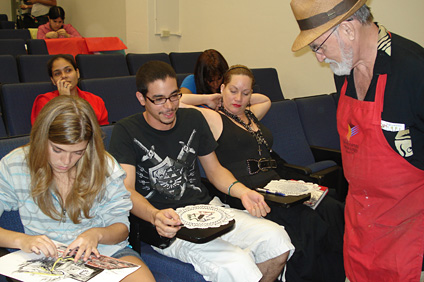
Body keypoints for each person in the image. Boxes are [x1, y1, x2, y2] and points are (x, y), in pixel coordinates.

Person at [108, 60, 295, 282]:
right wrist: (154, 215)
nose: (169, 106)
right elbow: (126, 190)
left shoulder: (193, 119)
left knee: (277, 240)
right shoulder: (126, 130)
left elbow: (215, 170)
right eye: (158, 99)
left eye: (174, 96)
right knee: (236, 262)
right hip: (167, 226)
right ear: (141, 98)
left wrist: (243, 192)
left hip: (207, 211)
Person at [290, 1, 424, 281]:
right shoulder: (345, 70)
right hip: (360, 224)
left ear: (348, 30)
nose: (319, 58)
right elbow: (355, 134)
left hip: (408, 235)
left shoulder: (414, 70)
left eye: (318, 47)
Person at [181, 64, 346, 282]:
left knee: (332, 208)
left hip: (276, 183)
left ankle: (336, 272)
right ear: (222, 88)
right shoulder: (213, 118)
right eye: (232, 90)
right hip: (248, 190)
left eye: (245, 92)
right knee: (309, 224)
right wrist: (211, 97)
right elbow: (180, 104)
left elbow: (265, 99)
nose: (238, 98)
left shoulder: (250, 115)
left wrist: (242, 94)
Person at [0, 95, 156, 282]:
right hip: (47, 258)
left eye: (78, 152)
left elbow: (122, 229)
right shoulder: (15, 165)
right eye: (57, 150)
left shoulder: (105, 166)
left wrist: (96, 234)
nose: (66, 162)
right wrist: (22, 240)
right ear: (42, 137)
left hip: (104, 252)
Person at [31, 54, 108, 126]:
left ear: (77, 73)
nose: (64, 76)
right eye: (57, 73)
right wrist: (64, 100)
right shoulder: (44, 101)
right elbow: (44, 132)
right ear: (53, 80)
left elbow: (102, 132)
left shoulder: (96, 100)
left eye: (68, 70)